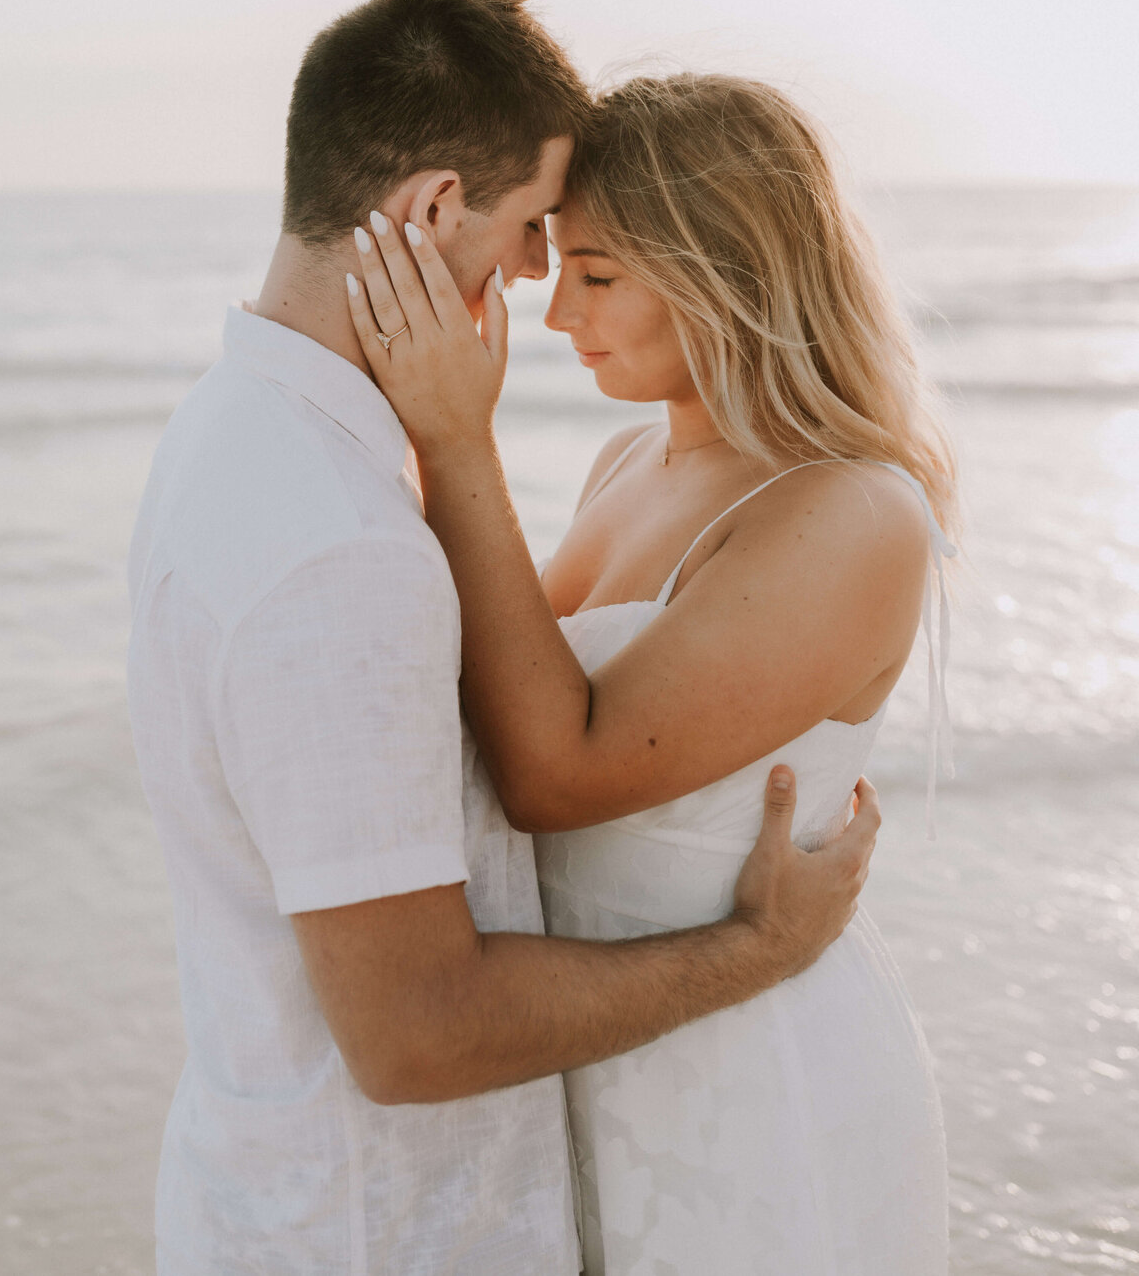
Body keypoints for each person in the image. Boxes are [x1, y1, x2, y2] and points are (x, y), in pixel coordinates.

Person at [126, 0, 881, 1276]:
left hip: (384, 1183)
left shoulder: (240, 438)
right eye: (540, 229)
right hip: (381, 1227)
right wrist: (755, 945)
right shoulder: (338, 541)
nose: (538, 282)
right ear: (429, 212)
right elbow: (419, 1029)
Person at [347, 67, 955, 1275]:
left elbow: (554, 771)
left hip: (745, 1078)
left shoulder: (850, 510)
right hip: (585, 1041)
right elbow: (476, 678)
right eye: (556, 260)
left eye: (601, 275)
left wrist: (455, 436)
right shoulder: (627, 463)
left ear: (730, 269)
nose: (558, 310)